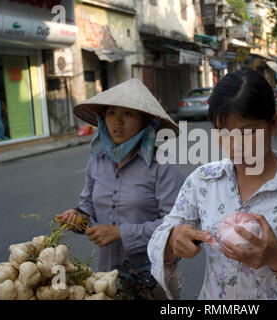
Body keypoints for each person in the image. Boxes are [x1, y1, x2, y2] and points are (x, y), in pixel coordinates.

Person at [147, 70, 277, 300]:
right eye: (224, 133)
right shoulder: (202, 181)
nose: (235, 146)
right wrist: (172, 240)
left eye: (248, 132)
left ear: (273, 123)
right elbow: (159, 238)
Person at [56, 78, 184, 299]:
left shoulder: (163, 164)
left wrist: (119, 233)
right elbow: (87, 205)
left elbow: (176, 225)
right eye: (112, 113)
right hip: (106, 277)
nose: (117, 122)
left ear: (146, 121)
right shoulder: (97, 160)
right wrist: (77, 218)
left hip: (152, 280)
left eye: (128, 114)